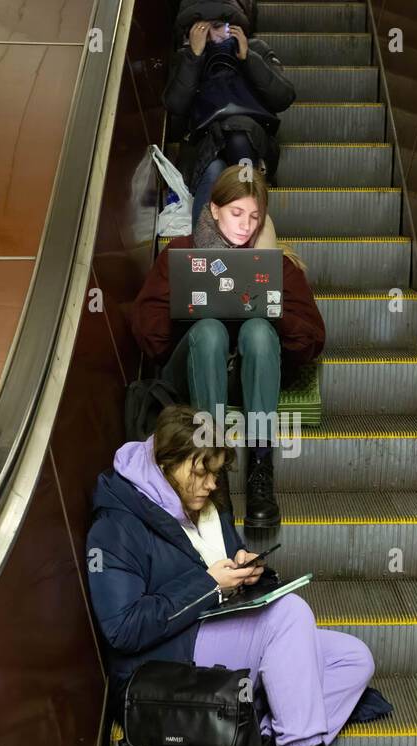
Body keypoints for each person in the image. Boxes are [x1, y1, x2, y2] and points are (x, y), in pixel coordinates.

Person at [86, 404, 394, 746]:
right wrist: (209, 584)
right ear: (167, 464)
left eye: (216, 473)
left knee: (353, 657)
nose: (212, 484)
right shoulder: (116, 524)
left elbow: (223, 576)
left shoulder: (206, 506)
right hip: (162, 665)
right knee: (289, 616)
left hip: (213, 631)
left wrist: (247, 570)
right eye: (203, 472)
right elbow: (123, 628)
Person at [131, 165, 325, 528]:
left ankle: (260, 470)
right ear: (215, 209)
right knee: (209, 331)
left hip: (250, 375)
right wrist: (185, 309)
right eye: (236, 213)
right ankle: (210, 468)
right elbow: (150, 339)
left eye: (254, 217)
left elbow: (310, 342)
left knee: (258, 331)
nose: (245, 225)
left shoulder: (276, 266)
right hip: (195, 367)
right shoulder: (182, 253)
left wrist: (270, 307)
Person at [164, 0, 296, 225]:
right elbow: (175, 106)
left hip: (251, 141)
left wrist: (248, 59)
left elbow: (283, 97)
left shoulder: (256, 49)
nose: (213, 36)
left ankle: (247, 232)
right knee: (214, 169)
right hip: (206, 147)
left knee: (238, 137)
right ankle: (208, 247)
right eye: (202, 29)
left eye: (219, 26)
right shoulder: (186, 58)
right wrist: (194, 59)